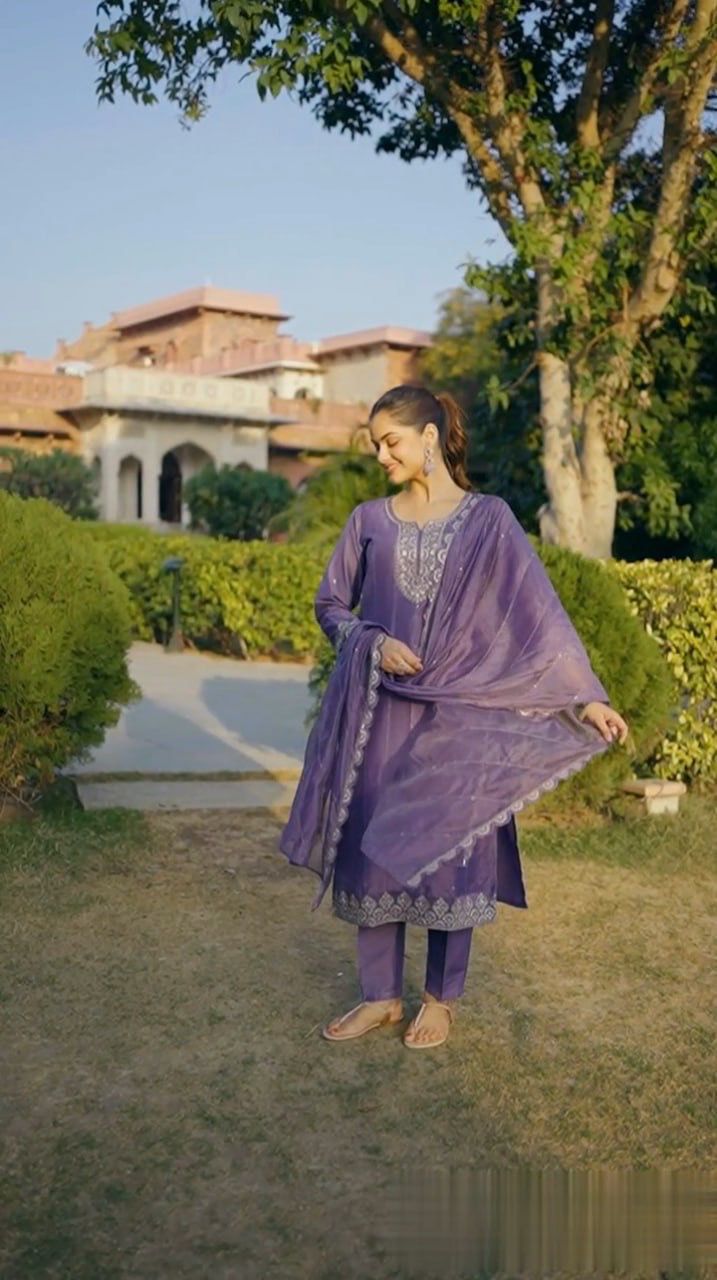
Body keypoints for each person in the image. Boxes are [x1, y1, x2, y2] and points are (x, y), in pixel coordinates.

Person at [279, 384, 629, 1050]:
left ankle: (441, 999)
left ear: (429, 437)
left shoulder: (489, 520)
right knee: (374, 847)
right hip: (382, 713)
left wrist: (584, 697)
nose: (381, 456)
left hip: (463, 716)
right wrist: (373, 641)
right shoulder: (368, 521)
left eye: (390, 442)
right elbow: (331, 606)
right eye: (375, 445)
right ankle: (380, 997)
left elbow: (536, 617)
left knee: (454, 851)